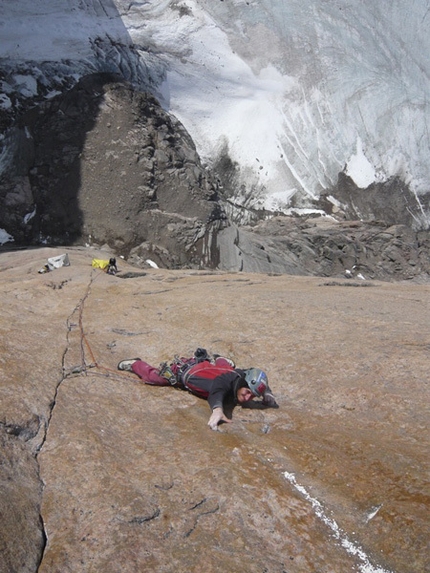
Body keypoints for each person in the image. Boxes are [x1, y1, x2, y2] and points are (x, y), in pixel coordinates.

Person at [117, 348, 278, 431]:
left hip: (206, 367)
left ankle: (221, 359)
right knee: (153, 378)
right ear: (242, 384)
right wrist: (217, 410)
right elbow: (217, 389)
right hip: (183, 371)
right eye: (248, 392)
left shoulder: (241, 375)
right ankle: (135, 364)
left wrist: (266, 392)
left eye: (253, 395)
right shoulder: (225, 382)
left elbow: (254, 370)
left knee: (226, 368)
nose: (249, 397)